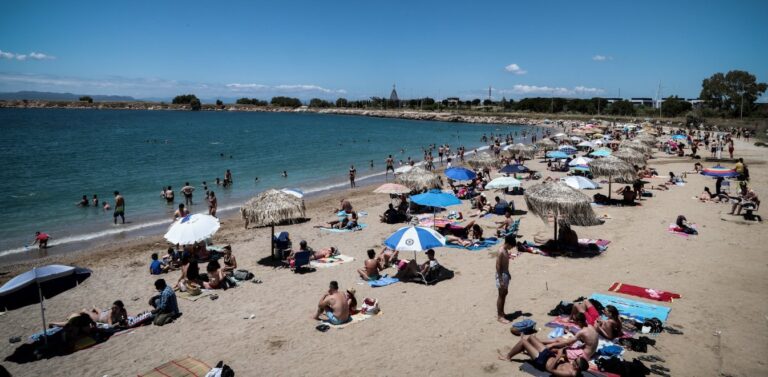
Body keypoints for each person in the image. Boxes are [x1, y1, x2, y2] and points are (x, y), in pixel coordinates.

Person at [497, 334, 589, 376]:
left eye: (575, 361)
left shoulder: (568, 374)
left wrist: (558, 356)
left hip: (542, 360)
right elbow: (564, 362)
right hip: (549, 355)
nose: (574, 360)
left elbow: (550, 369)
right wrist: (561, 354)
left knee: (523, 342)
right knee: (531, 337)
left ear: (577, 367)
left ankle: (508, 357)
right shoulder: (574, 367)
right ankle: (525, 349)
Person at [496, 235, 517, 323]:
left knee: (504, 293)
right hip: (501, 275)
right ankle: (500, 316)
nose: (511, 248)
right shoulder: (501, 251)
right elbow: (498, 266)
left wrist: (508, 274)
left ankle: (502, 313)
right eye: (511, 246)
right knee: (501, 295)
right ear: (508, 243)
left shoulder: (505, 250)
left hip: (505, 274)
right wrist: (500, 279)